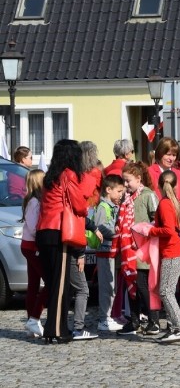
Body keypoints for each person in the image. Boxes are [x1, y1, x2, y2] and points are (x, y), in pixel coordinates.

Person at [36, 140, 92, 343]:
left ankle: (54, 329)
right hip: (59, 232)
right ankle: (57, 331)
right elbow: (78, 203)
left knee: (52, 284)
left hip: (43, 232)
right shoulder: (68, 174)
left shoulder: (49, 177)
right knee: (61, 287)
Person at [147, 170, 180, 343]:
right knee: (168, 290)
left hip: (173, 252)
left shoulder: (165, 203)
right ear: (176, 186)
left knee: (165, 291)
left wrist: (150, 230)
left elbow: (168, 230)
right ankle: (174, 327)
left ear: (159, 186)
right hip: (177, 251)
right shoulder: (174, 202)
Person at [117, 161, 160, 336]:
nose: (125, 185)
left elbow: (156, 219)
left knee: (144, 286)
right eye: (124, 181)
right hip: (129, 249)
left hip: (144, 249)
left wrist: (143, 231)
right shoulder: (127, 198)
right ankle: (134, 320)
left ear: (138, 178)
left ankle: (154, 320)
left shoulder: (148, 195)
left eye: (128, 181)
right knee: (130, 285)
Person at [67, 140, 102, 341]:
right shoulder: (87, 178)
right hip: (77, 235)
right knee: (82, 288)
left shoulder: (69, 178)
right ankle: (78, 327)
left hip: (77, 232)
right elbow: (79, 213)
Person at [94, 175, 126, 332]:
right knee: (107, 286)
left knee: (113, 286)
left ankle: (110, 316)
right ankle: (103, 319)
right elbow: (100, 226)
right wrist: (116, 232)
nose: (121, 194)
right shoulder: (103, 207)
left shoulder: (113, 206)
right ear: (108, 190)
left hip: (112, 251)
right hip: (105, 251)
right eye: (119, 191)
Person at [21, 169, 47, 338]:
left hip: (29, 245)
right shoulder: (35, 202)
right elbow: (33, 226)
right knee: (51, 282)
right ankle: (34, 317)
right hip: (33, 246)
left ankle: (32, 320)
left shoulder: (33, 201)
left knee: (33, 285)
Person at [147, 137, 180, 204]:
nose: (171, 158)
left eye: (174, 155)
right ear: (160, 153)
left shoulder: (178, 173)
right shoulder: (150, 172)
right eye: (168, 154)